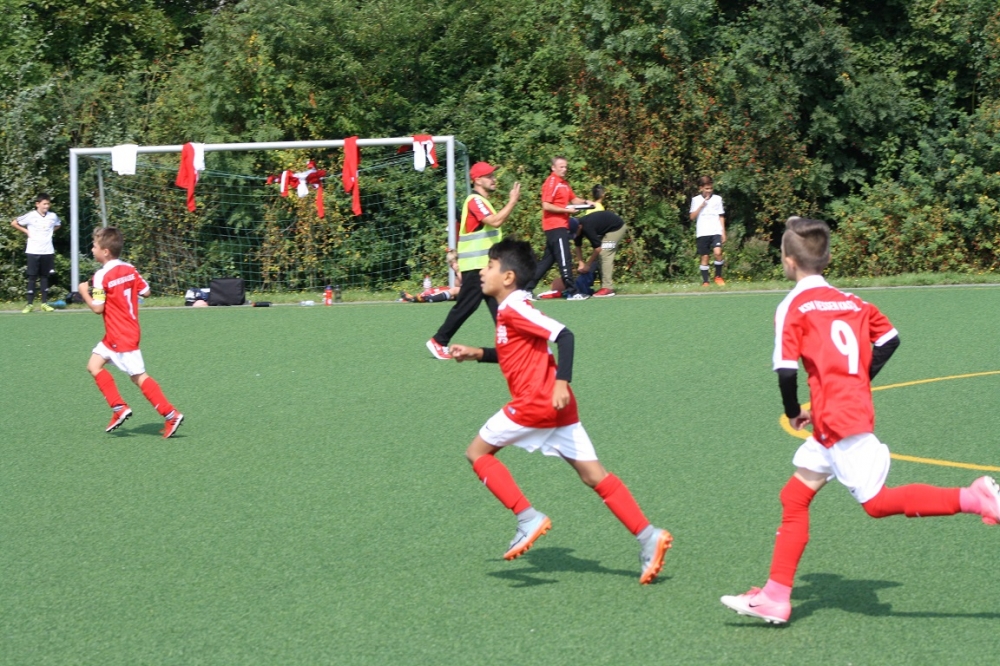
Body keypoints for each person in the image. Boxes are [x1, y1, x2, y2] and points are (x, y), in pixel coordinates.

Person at [720, 217, 1000, 625]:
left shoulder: (792, 305)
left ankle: (974, 497)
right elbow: (889, 339)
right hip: (839, 415)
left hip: (837, 421)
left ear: (788, 261)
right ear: (826, 258)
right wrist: (855, 383)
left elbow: (785, 370)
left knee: (876, 504)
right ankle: (775, 596)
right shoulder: (852, 301)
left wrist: (792, 411)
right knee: (794, 497)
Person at [449, 238, 673, 584]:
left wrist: (561, 382)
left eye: (490, 266)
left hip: (536, 403)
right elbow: (512, 353)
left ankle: (527, 517)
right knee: (595, 476)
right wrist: (477, 353)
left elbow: (565, 336)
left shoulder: (515, 309)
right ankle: (648, 536)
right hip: (557, 409)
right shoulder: (511, 310)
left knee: (477, 453)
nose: (482, 271)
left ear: (508, 277)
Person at [78, 227, 184, 438]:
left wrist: (83, 292)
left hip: (120, 335)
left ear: (105, 251)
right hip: (124, 331)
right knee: (93, 365)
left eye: (95, 246)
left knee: (138, 377)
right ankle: (118, 407)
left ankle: (170, 414)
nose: (92, 249)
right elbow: (146, 291)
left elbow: (98, 308)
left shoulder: (100, 276)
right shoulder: (129, 268)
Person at [426, 162, 520, 360]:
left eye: (493, 175)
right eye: (489, 176)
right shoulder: (474, 200)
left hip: (485, 267)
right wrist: (512, 202)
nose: (494, 179)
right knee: (467, 305)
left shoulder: (483, 202)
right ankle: (438, 341)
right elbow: (495, 221)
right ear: (477, 180)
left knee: (499, 305)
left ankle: (512, 345)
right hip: (476, 267)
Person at [525, 157, 593, 301]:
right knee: (565, 258)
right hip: (554, 226)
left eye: (566, 167)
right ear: (553, 168)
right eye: (561, 167)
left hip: (561, 225)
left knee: (546, 262)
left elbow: (574, 200)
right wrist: (566, 210)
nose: (564, 169)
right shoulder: (552, 182)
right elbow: (546, 205)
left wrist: (586, 202)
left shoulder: (564, 184)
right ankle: (572, 291)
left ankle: (526, 289)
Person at [11, 193, 60, 313]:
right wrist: (26, 231)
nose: (46, 206)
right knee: (32, 276)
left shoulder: (52, 216)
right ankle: (29, 304)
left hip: (47, 250)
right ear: (37, 204)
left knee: (44, 276)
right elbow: (14, 223)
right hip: (33, 250)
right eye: (44, 204)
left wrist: (49, 232)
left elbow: (58, 225)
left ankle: (44, 303)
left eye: (48, 204)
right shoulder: (31, 216)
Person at [574, 206, 626, 298]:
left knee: (605, 253)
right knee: (599, 256)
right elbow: (577, 246)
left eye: (574, 232)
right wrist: (581, 263)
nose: (573, 235)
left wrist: (588, 265)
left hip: (616, 228)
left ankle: (608, 288)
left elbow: (598, 248)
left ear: (579, 227)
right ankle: (603, 285)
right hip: (605, 229)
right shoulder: (576, 229)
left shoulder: (587, 227)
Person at [690, 175, 726, 286]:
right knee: (705, 257)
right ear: (701, 188)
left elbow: (721, 215)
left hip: (715, 231)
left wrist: (723, 232)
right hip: (703, 232)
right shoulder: (696, 200)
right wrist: (701, 206)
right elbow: (692, 217)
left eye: (710, 188)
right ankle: (705, 281)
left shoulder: (717, 199)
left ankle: (718, 276)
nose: (709, 191)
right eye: (706, 189)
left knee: (718, 253)